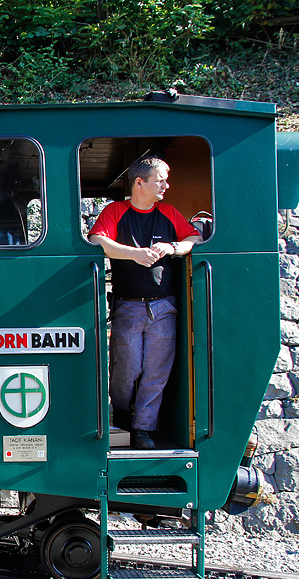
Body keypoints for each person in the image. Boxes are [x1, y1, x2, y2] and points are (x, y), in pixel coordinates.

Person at [88, 157, 200, 450]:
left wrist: (173, 247)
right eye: (160, 179)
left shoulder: (169, 213)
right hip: (129, 307)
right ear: (140, 183)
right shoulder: (116, 211)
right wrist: (134, 254)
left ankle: (143, 430)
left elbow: (194, 237)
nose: (166, 185)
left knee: (156, 372)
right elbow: (98, 240)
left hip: (164, 306)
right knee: (127, 369)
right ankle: (122, 417)